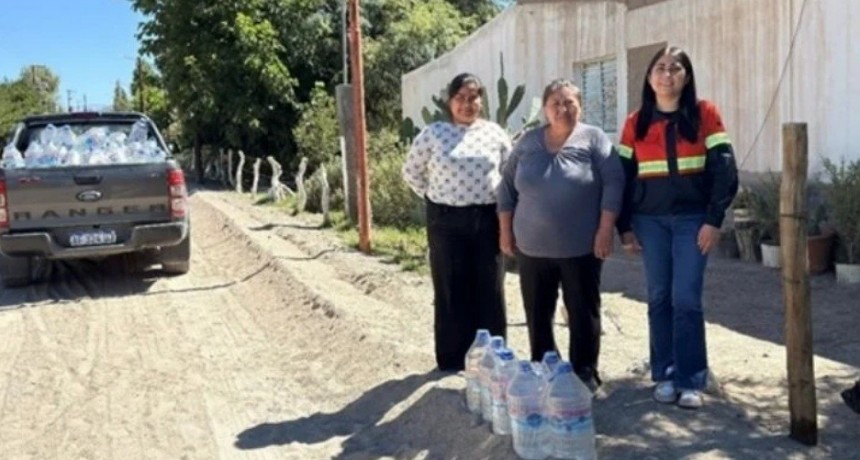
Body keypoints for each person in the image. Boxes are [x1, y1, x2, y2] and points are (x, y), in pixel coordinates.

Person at [616, 46, 739, 409]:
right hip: (649, 222)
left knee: (686, 298)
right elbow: (622, 176)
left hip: (692, 221)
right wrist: (624, 227)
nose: (667, 75)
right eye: (660, 67)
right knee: (658, 297)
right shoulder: (634, 122)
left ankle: (690, 379)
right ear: (649, 76)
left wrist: (713, 220)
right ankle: (665, 374)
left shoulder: (705, 113)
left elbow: (724, 168)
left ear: (686, 76)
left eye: (675, 68)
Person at [497, 79, 624, 390]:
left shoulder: (593, 139)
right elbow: (506, 188)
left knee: (582, 312)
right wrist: (505, 232)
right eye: (555, 103)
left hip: (581, 248)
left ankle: (584, 373)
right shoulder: (527, 142)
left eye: (569, 103)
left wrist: (605, 229)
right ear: (545, 108)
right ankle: (544, 370)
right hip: (531, 249)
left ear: (580, 106)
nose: (562, 109)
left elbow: (614, 183)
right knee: (538, 314)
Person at [402, 73, 512, 372]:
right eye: (460, 98)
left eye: (473, 97)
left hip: (487, 219)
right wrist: (435, 197)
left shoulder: (495, 133)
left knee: (490, 287)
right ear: (450, 101)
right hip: (446, 222)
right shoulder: (434, 133)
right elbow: (411, 171)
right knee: (450, 286)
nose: (467, 104)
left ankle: (492, 358)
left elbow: (509, 174)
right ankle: (452, 359)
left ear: (481, 101)